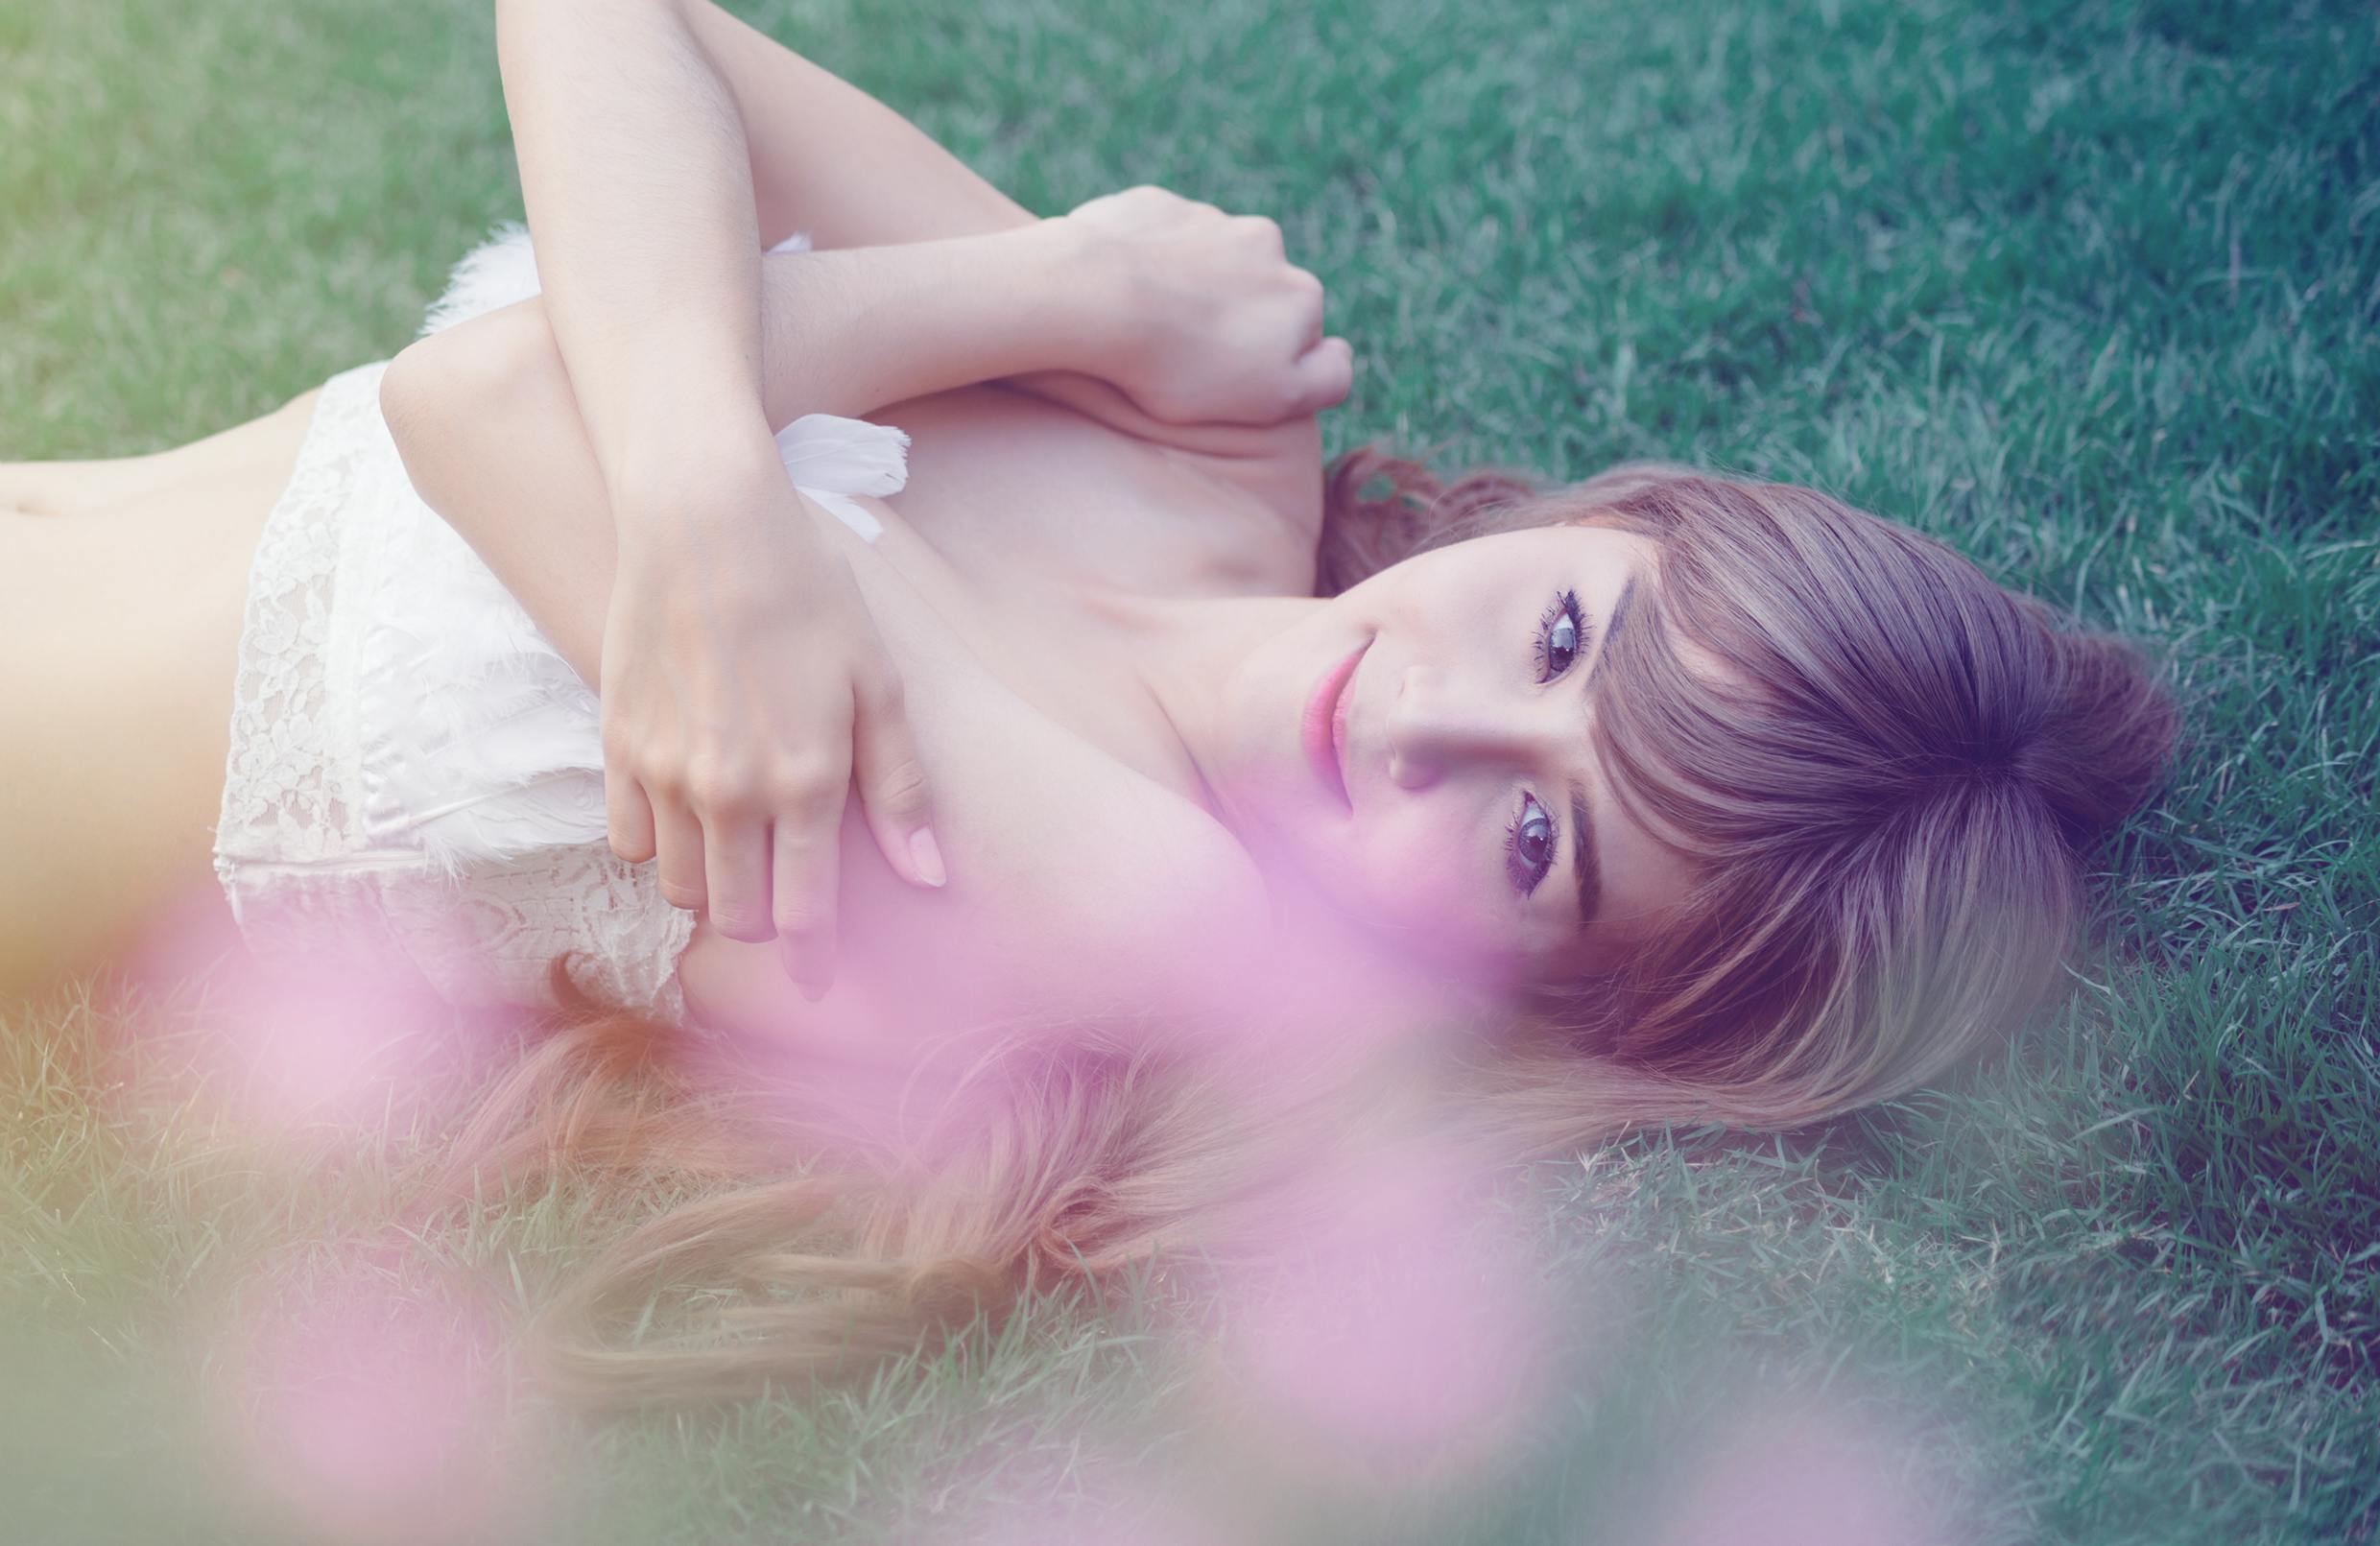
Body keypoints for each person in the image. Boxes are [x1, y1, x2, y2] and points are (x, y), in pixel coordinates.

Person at [0, 0, 2174, 1402]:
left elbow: (487, 395)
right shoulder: (1200, 449)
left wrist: (1036, 296)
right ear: (1626, 521)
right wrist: (1050, 295)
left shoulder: (1131, 910)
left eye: (1532, 841)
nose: (1430, 723)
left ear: (1551, 995)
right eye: (1566, 640)